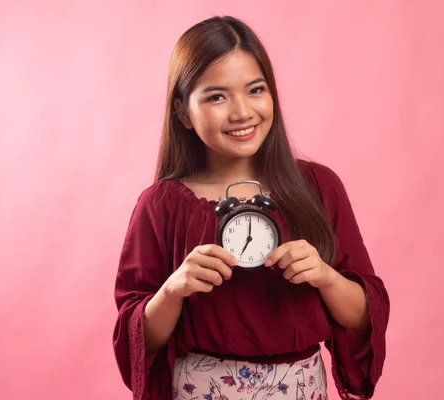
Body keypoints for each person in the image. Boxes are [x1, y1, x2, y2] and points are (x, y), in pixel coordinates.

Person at [112, 15, 389, 400]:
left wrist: (326, 277)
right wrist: (172, 291)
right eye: (217, 96)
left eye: (255, 90)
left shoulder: (319, 188)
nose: (242, 112)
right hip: (199, 390)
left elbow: (364, 315)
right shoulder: (161, 205)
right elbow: (137, 341)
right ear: (182, 112)